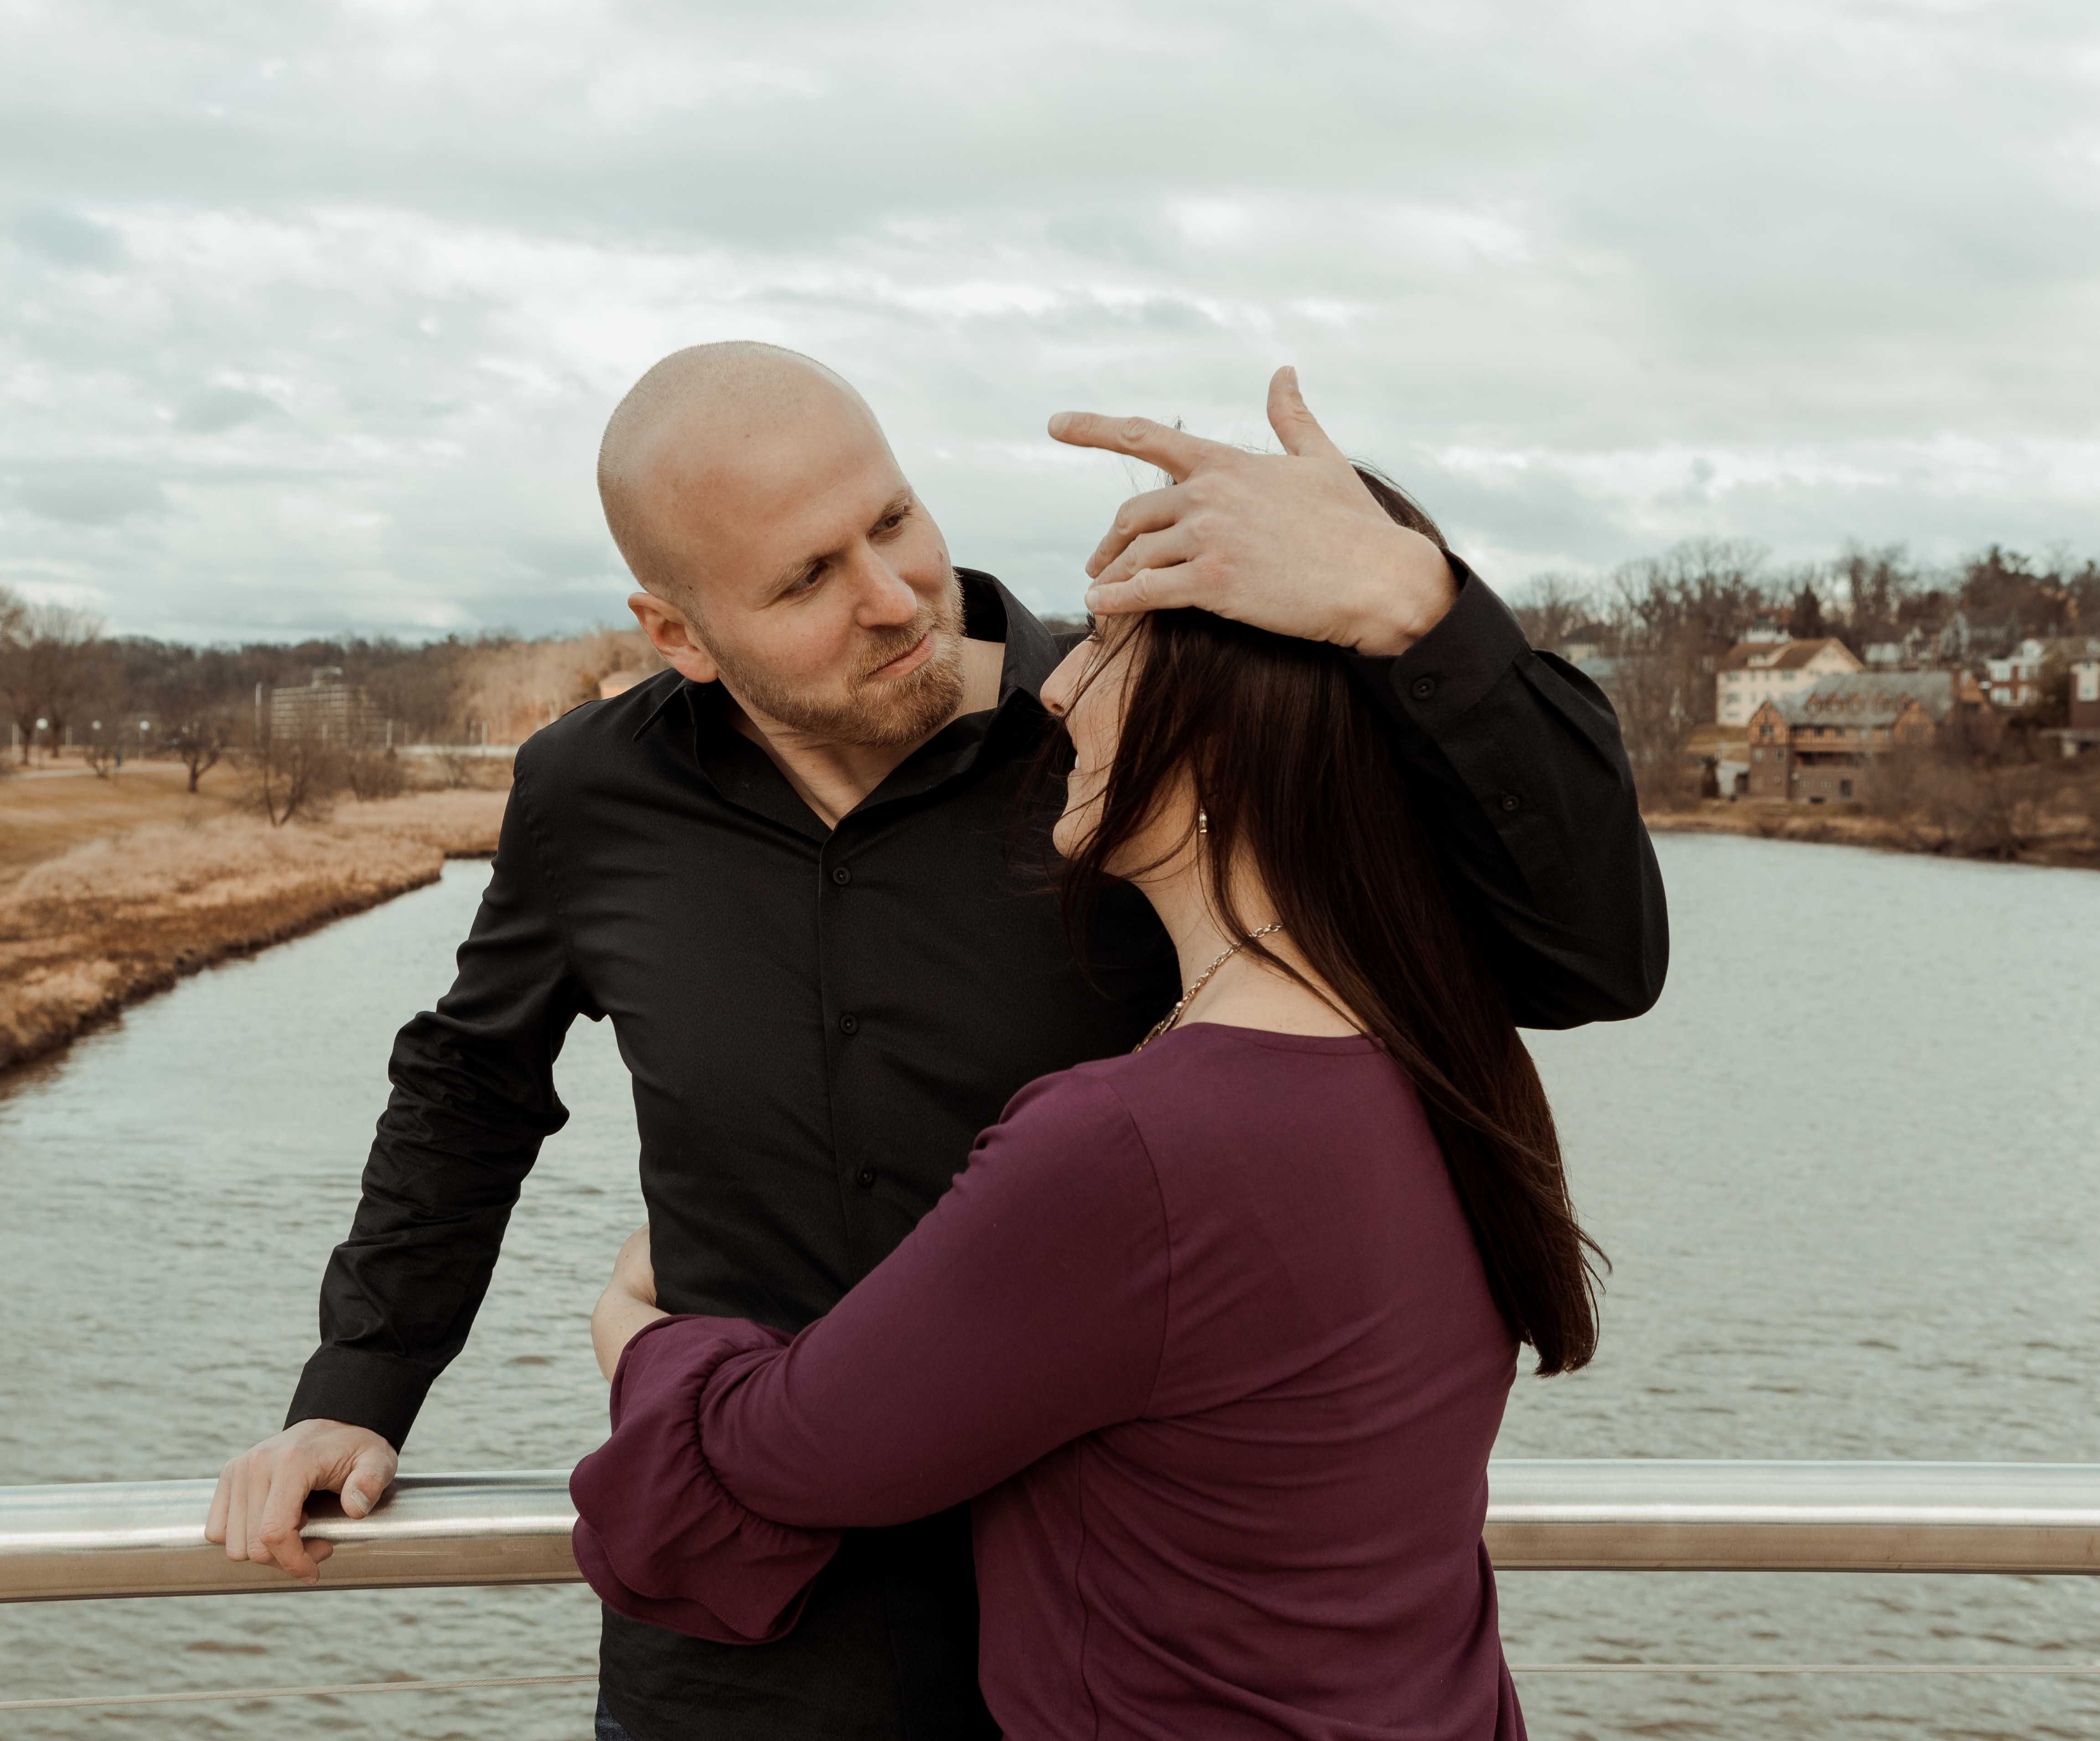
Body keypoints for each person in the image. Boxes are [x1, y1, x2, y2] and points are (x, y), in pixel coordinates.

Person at [205, 342, 1665, 1741]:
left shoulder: (1120, 747)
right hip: (741, 1643)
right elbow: (470, 1086)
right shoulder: (587, 795)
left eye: (892, 519)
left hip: (1089, 1631)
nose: (897, 595)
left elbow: (1583, 957)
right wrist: (358, 1386)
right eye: (805, 580)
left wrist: (1420, 605)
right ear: (678, 633)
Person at [571, 500, 1593, 1736]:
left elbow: (781, 1455)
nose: (1057, 696)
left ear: (1214, 734)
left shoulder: (1134, 1143)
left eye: (1109, 650)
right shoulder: (1440, 1045)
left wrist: (644, 1335)